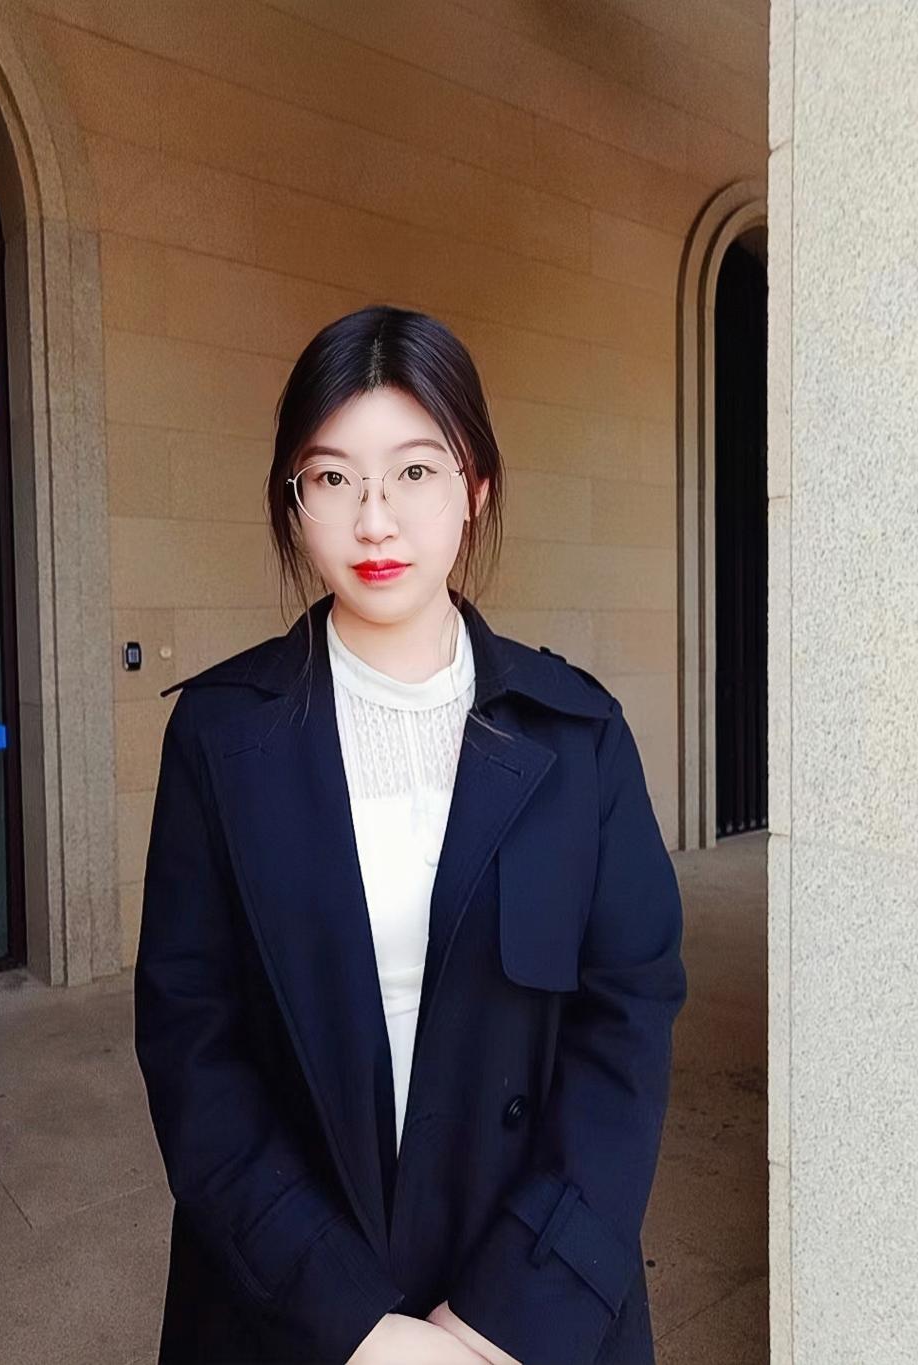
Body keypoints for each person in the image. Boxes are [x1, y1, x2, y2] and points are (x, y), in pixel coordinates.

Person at [134, 305, 688, 1365]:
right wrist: (357, 1327)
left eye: (415, 472)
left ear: (474, 486)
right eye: (332, 477)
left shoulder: (578, 736)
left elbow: (627, 1026)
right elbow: (192, 1045)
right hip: (291, 1306)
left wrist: (496, 1321)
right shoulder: (218, 735)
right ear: (293, 501)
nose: (374, 521)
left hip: (533, 1309)